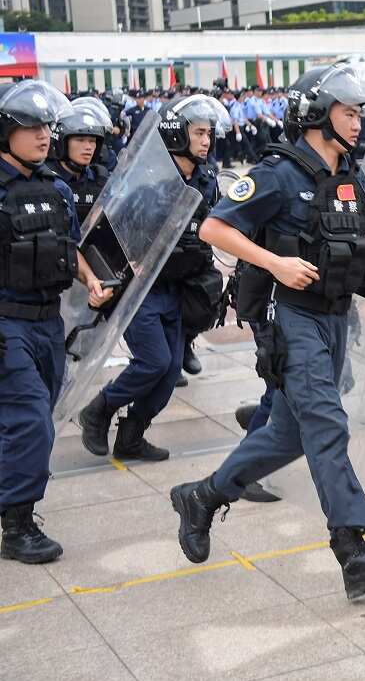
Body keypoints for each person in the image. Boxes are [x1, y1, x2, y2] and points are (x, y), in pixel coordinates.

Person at [168, 65, 365, 601]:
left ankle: (203, 497)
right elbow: (215, 227)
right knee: (327, 425)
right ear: (317, 113)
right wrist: (276, 263)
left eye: (360, 113)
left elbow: (349, 234)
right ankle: (354, 552)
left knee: (285, 436)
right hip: (294, 318)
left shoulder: (349, 174)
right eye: (349, 112)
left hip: (335, 316)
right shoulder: (277, 173)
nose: (358, 123)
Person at [1, 81, 113, 563]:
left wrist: (90, 279)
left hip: (49, 324)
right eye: (31, 127)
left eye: (48, 126)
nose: (44, 135)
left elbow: (73, 248)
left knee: (33, 419)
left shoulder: (57, 189)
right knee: (30, 423)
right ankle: (18, 524)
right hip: (8, 323)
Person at [78, 95, 223, 462]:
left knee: (170, 369)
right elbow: (116, 229)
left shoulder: (207, 182)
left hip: (179, 286)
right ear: (177, 135)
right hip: (143, 289)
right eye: (199, 133)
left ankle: (132, 435)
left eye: (209, 133)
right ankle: (99, 409)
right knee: (154, 362)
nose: (207, 141)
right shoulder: (150, 180)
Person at [50, 97, 112, 223]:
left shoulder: (100, 179)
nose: (88, 147)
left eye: (92, 141)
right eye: (80, 140)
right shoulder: (47, 180)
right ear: (63, 142)